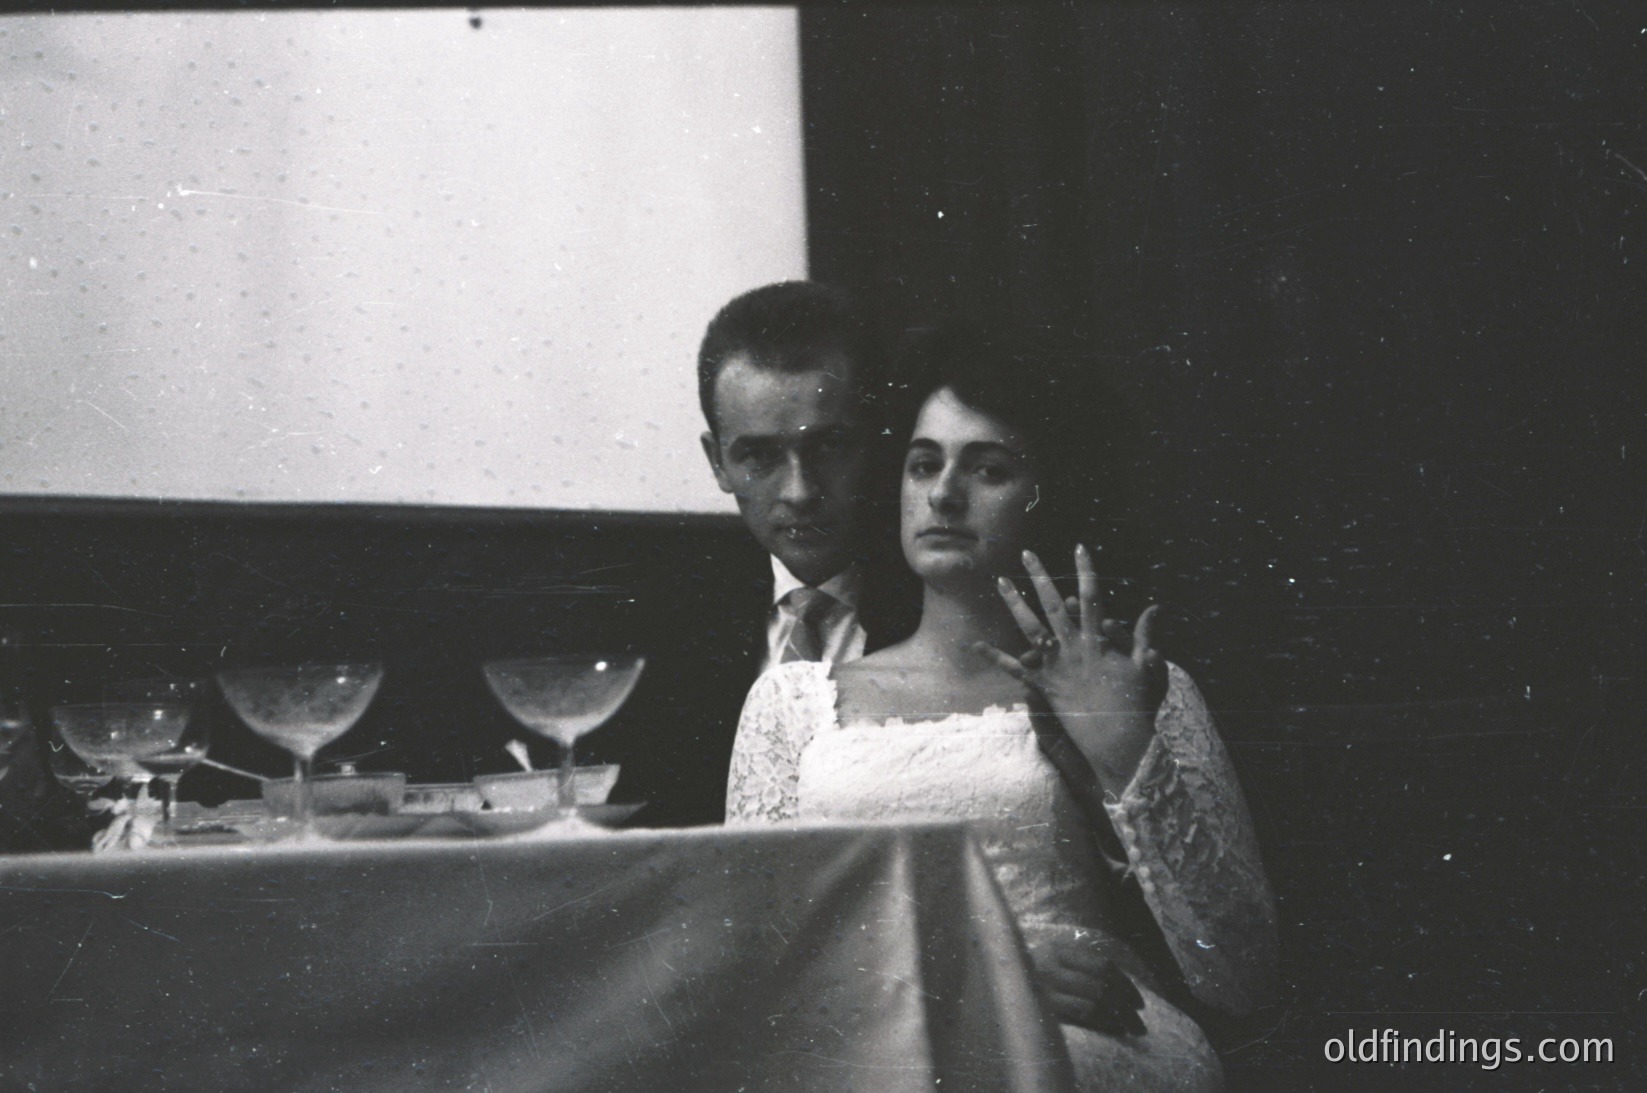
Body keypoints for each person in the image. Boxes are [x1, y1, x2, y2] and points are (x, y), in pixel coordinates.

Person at [725, 321, 1277, 1090]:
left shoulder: (1137, 683)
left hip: (1087, 1046)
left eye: (988, 469)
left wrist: (1123, 753)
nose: (943, 493)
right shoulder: (792, 701)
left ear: (1050, 495)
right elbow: (756, 963)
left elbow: (1241, 976)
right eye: (923, 465)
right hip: (871, 1043)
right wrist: (982, 970)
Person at [604, 282, 915, 827]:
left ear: (878, 440)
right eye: (759, 456)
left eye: (828, 446)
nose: (799, 490)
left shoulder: (942, 604)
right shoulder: (673, 624)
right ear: (717, 461)